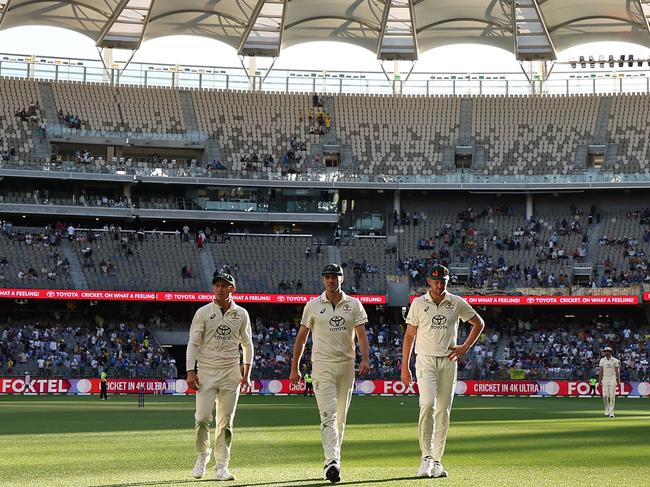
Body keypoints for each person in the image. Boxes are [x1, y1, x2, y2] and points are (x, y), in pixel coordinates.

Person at [401, 264, 485, 479]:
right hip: (425, 360)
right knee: (427, 404)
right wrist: (404, 366)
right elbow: (409, 336)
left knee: (443, 411)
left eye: (443, 282)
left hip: (449, 361)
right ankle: (426, 458)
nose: (439, 285)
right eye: (436, 281)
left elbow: (479, 323)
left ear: (448, 281)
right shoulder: (419, 304)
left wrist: (464, 347)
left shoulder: (456, 302)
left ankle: (437, 461)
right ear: (428, 281)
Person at [290, 263, 370, 484]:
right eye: (327, 277)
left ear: (342, 278)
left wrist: (365, 358)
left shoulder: (354, 305)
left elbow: (362, 335)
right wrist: (294, 366)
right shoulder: (313, 306)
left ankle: (334, 460)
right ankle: (332, 461)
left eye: (335, 276)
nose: (331, 280)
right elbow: (302, 337)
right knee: (328, 416)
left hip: (346, 366)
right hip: (322, 365)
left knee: (341, 418)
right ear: (323, 280)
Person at [186, 272, 253, 481]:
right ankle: (202, 456)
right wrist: (190, 371)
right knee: (202, 418)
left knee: (226, 423)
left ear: (232, 289)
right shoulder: (203, 312)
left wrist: (246, 373)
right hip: (206, 373)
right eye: (217, 285)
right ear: (213, 288)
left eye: (224, 285)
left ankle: (222, 466)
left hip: (231, 374)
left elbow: (247, 344)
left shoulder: (241, 313)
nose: (220, 289)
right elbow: (193, 343)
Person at [598, 346, 621, 418]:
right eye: (605, 351)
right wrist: (599, 380)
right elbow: (601, 370)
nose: (606, 352)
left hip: (613, 378)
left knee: (612, 396)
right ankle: (606, 408)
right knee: (605, 396)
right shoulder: (602, 360)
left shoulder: (615, 360)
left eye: (607, 351)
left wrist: (618, 380)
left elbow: (617, 371)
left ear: (610, 352)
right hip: (605, 378)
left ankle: (611, 412)